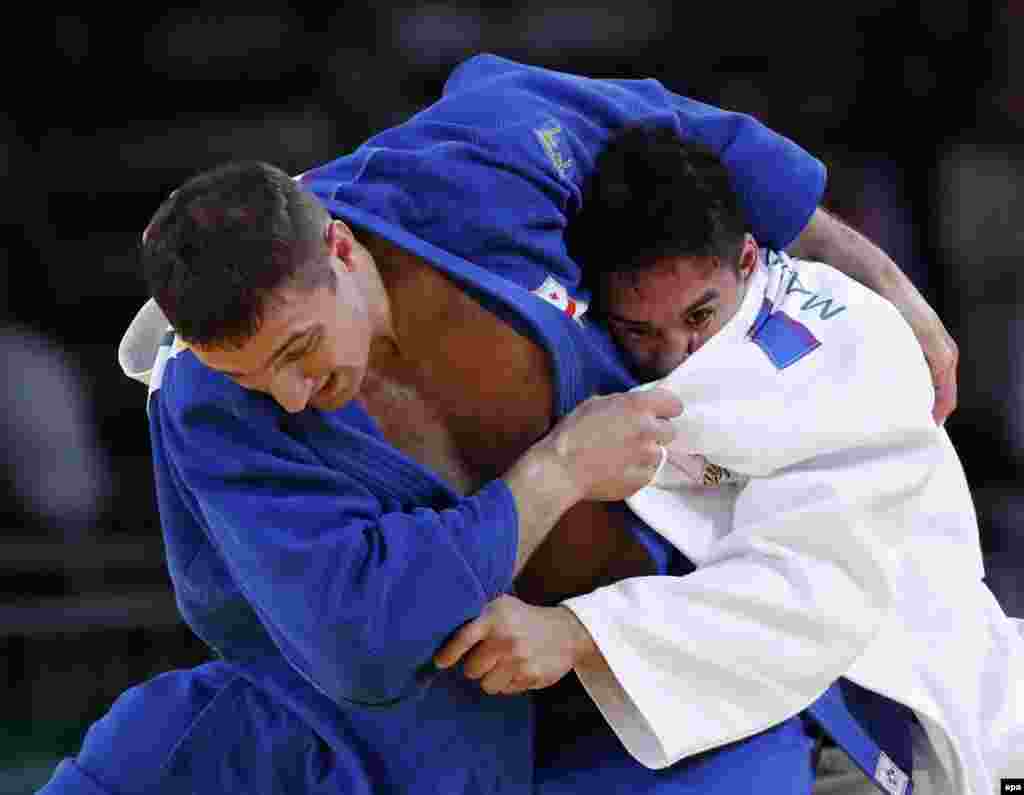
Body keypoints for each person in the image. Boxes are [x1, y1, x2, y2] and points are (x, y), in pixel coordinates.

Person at [44, 55, 955, 795]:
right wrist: (558, 469)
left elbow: (691, 136)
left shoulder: (477, 160)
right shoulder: (209, 405)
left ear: (340, 247)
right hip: (384, 731)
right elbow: (363, 634)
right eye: (251, 377)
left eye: (298, 351)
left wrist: (885, 284)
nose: (285, 398)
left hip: (657, 695)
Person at [435, 127, 1024, 794]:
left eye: (698, 315)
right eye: (639, 332)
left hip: (928, 714)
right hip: (804, 719)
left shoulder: (858, 352)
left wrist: (578, 633)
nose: (674, 355)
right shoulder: (647, 362)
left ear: (747, 260)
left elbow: (812, 589)